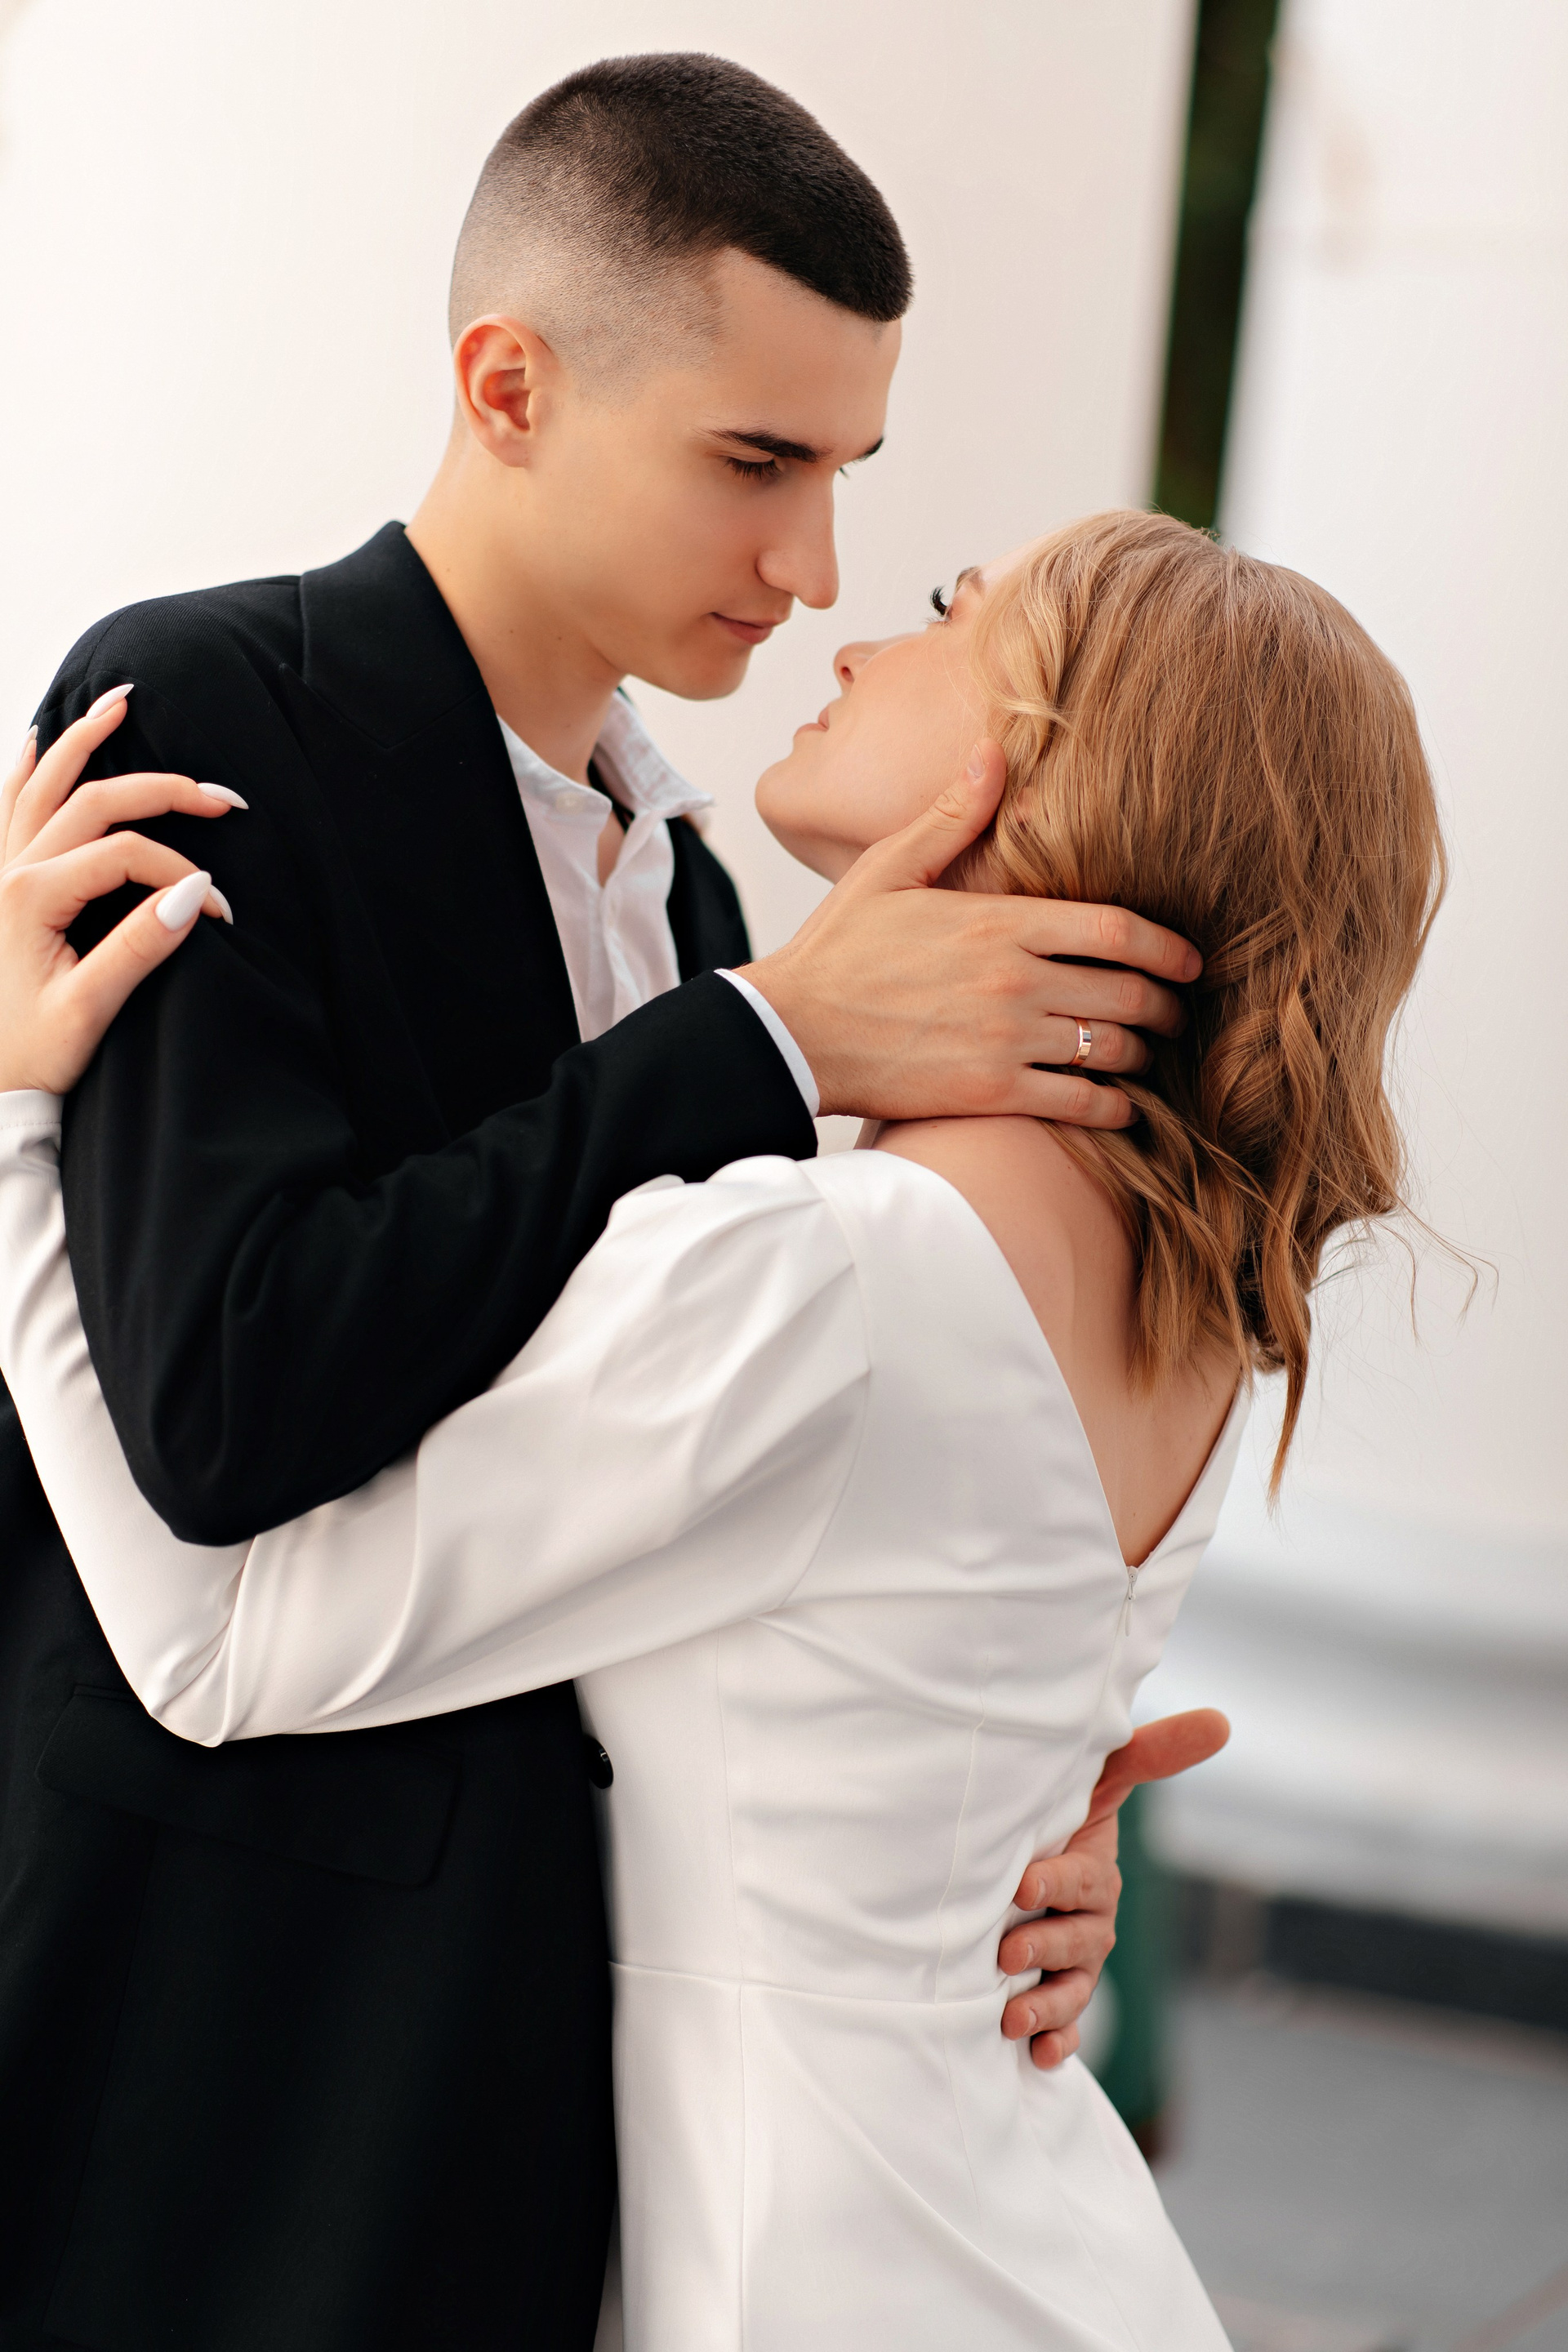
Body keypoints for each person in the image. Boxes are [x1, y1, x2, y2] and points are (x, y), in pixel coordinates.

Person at [2, 56, 1202, 2352]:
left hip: (560, 2099)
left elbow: (707, 1490)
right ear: (510, 387)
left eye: (844, 476)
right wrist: (756, 1048)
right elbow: (230, 1403)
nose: (811, 566)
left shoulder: (710, 903)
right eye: (755, 463)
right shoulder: (214, 713)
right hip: (213, 2057)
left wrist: (1007, 1803)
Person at [0, 511, 1446, 2347]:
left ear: (1060, 764)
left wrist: (17, 1128)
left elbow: (217, 1645)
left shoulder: (840, 1265)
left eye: (952, 614)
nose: (848, 626)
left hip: (822, 2280)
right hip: (997, 2234)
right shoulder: (1190, 1290)